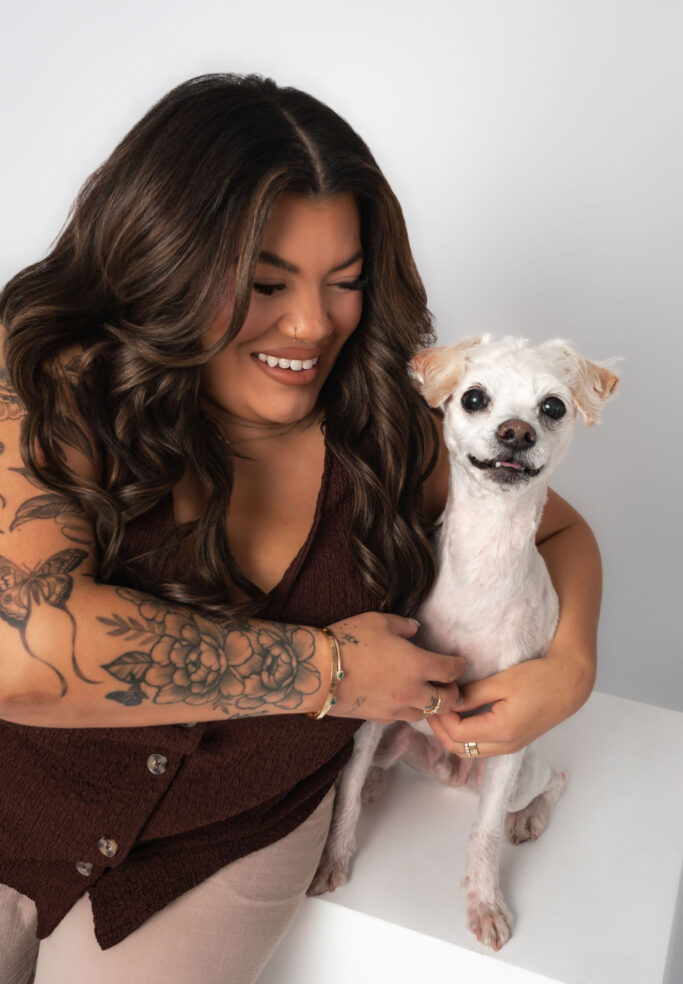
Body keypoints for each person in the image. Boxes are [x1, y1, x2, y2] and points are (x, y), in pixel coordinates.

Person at [0, 74, 600, 984]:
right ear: (164, 260)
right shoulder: (50, 389)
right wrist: (332, 672)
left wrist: (568, 671)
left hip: (225, 848)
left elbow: (557, 534)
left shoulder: (389, 430)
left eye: (345, 282)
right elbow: (22, 654)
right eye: (265, 282)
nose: (314, 323)